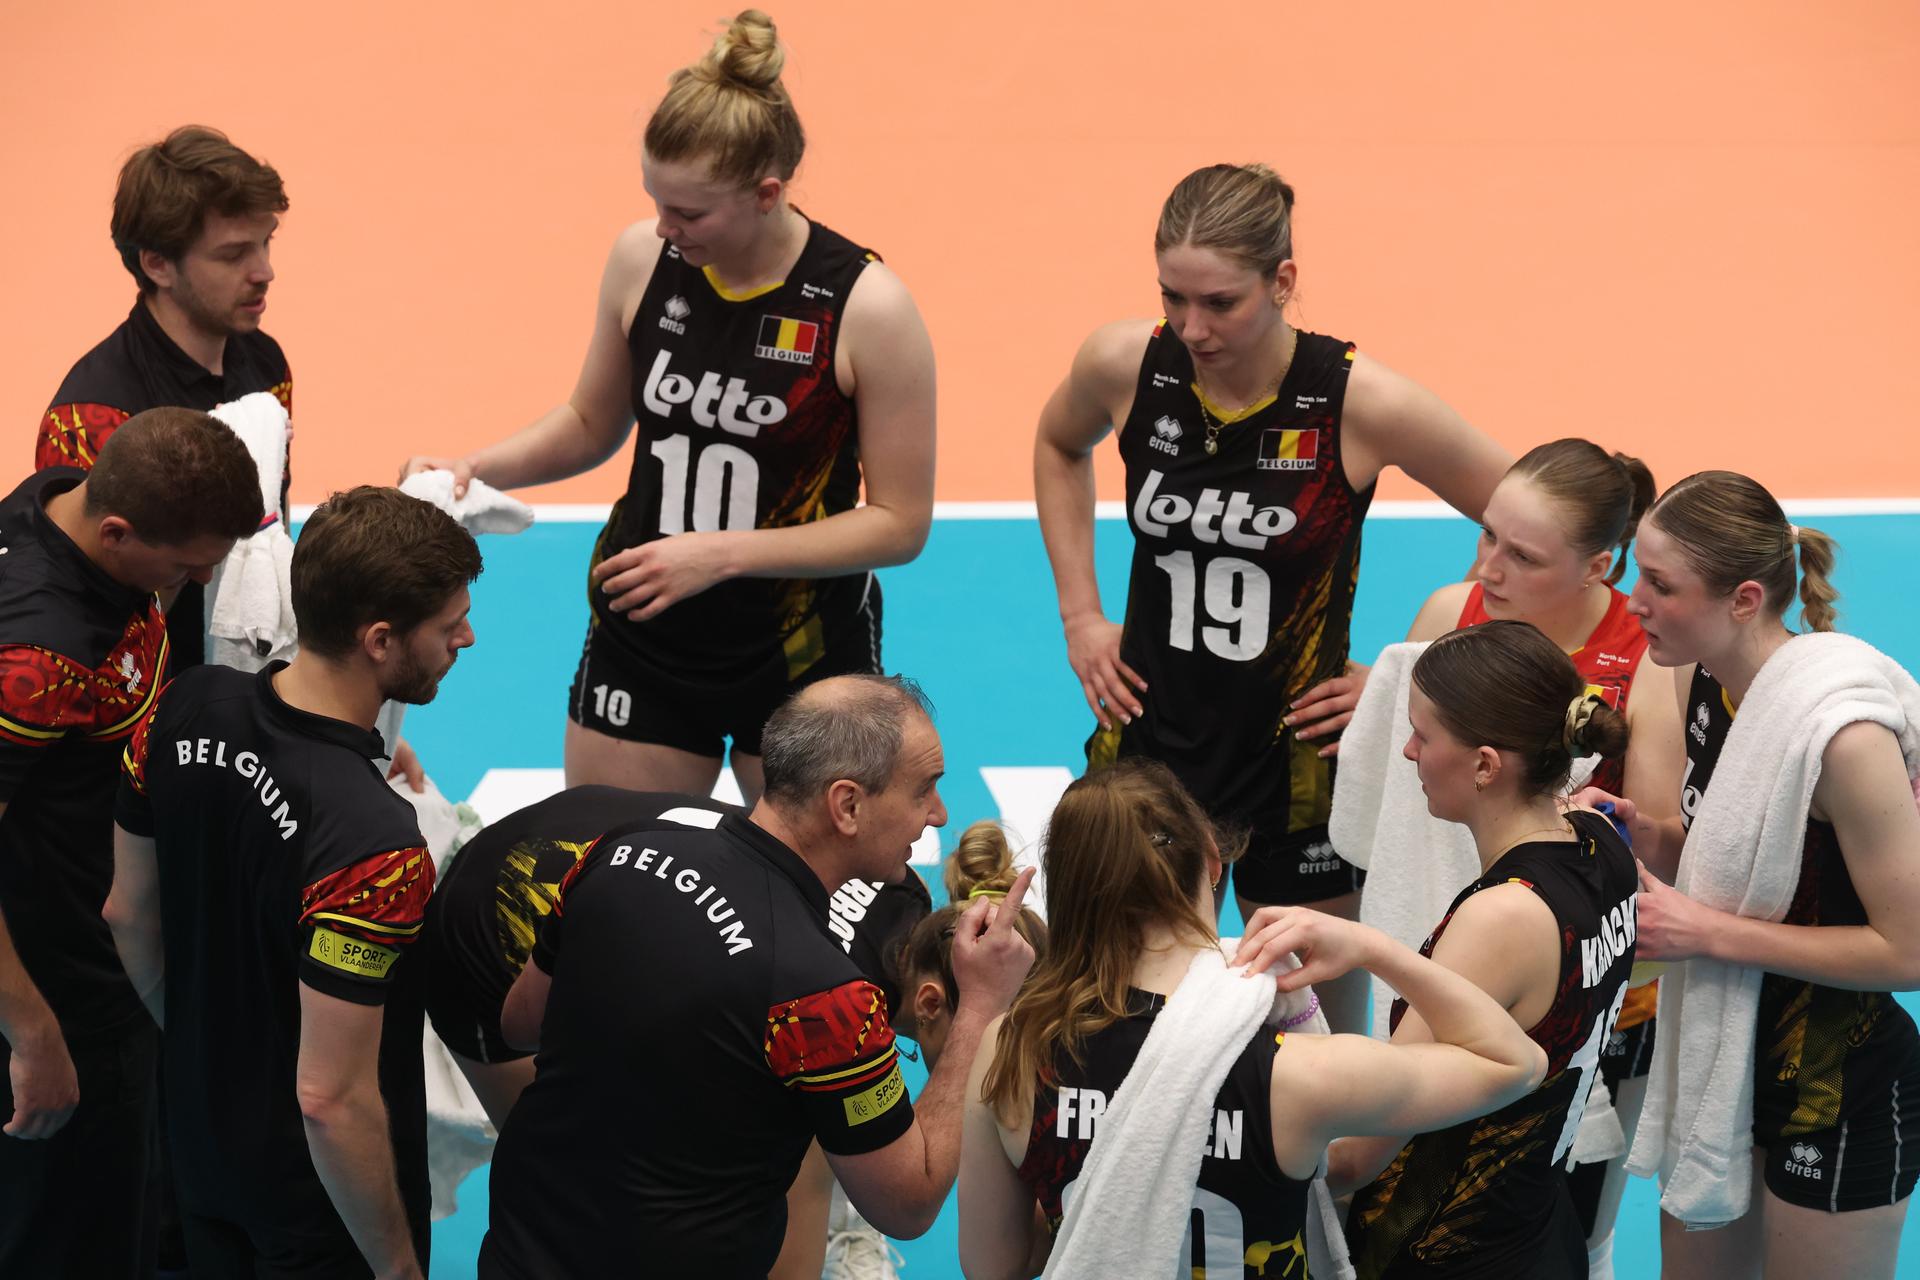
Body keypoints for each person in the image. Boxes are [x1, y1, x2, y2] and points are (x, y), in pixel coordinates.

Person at [401, 9, 935, 806]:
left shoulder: (865, 307)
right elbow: (591, 422)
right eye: (656, 202)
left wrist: (719, 556)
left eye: (688, 214)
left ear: (766, 194)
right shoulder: (643, 259)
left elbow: (899, 523)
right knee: (610, 861)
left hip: (798, 647)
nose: (665, 228)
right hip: (646, 628)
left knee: (801, 880)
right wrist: (475, 466)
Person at [1032, 161, 1512, 1033]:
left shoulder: (1357, 402)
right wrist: (1080, 615)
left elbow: (1530, 523)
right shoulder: (1127, 364)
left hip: (1296, 769)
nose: (1192, 327)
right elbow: (1059, 443)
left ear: (1283, 281)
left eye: (1220, 302)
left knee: (1320, 1032)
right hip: (1148, 742)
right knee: (1104, 1013)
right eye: (1173, 297)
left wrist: (1410, 678)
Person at [478, 676, 1034, 1279]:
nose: (939, 813)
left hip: (519, 1253)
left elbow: (521, 1022)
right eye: (924, 789)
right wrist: (979, 1006)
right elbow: (908, 1200)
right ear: (847, 806)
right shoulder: (826, 996)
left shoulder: (618, 850)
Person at [1289, 437, 1681, 1264]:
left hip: (1535, 975)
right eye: (1488, 535)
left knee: (1581, 1204)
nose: (1489, 568)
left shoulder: (1641, 664)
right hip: (1550, 957)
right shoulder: (1593, 840)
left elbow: (1356, 1154)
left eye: (1523, 554)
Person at [958, 758, 1548, 1279]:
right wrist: (1373, 947)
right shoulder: (1299, 1075)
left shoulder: (1010, 1049)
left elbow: (995, 1265)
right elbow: (1516, 1063)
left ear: (1067, 889)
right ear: (1213, 860)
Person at [104, 486, 481, 1280]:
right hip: (318, 1208)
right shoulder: (375, 846)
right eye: (449, 625)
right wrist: (397, 1266)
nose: (466, 638)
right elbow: (329, 1100)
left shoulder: (180, 707)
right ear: (380, 640)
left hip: (197, 1149)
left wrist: (211, 1052)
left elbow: (127, 915)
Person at [1606, 472, 1920, 1278]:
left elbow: (1909, 951)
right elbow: (1738, 853)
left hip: (1836, 1084)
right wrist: (1649, 836)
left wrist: (1706, 933)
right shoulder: (1709, 682)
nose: (1633, 601)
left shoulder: (1844, 740)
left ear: (1744, 599)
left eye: (1660, 585)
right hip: (1724, 1063)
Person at [0, 406, 260, 1277]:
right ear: (116, 532)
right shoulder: (39, 656)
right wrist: (32, 1033)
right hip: (62, 989)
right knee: (77, 1236)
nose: (199, 581)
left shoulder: (57, 497)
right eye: (185, 567)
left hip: (102, 954)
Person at [1335, 621, 1639, 1278]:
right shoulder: (1602, 843)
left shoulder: (1502, 917)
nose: (1409, 751)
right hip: (1539, 1228)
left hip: (1449, 1253)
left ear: (1484, 765)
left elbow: (1358, 1153)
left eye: (1423, 735)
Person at [40, 125, 291, 677]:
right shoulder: (90, 416)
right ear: (158, 264)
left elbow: (269, 522)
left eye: (266, 241)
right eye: (233, 254)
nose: (264, 271)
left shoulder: (265, 366)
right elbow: (83, 613)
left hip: (244, 682)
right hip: (144, 699)